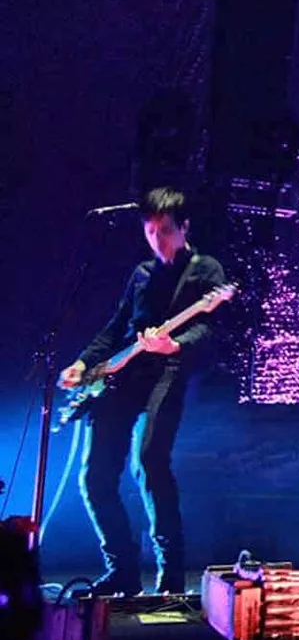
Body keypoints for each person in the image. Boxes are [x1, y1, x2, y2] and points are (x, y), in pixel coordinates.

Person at [60, 188, 227, 596]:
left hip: (168, 371)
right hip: (124, 376)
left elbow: (210, 329)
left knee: (149, 462)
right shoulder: (141, 274)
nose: (158, 239)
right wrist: (84, 362)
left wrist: (176, 344)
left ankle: (170, 577)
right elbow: (115, 327)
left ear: (184, 227)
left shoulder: (206, 272)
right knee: (95, 477)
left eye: (166, 231)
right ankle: (122, 571)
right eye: (150, 231)